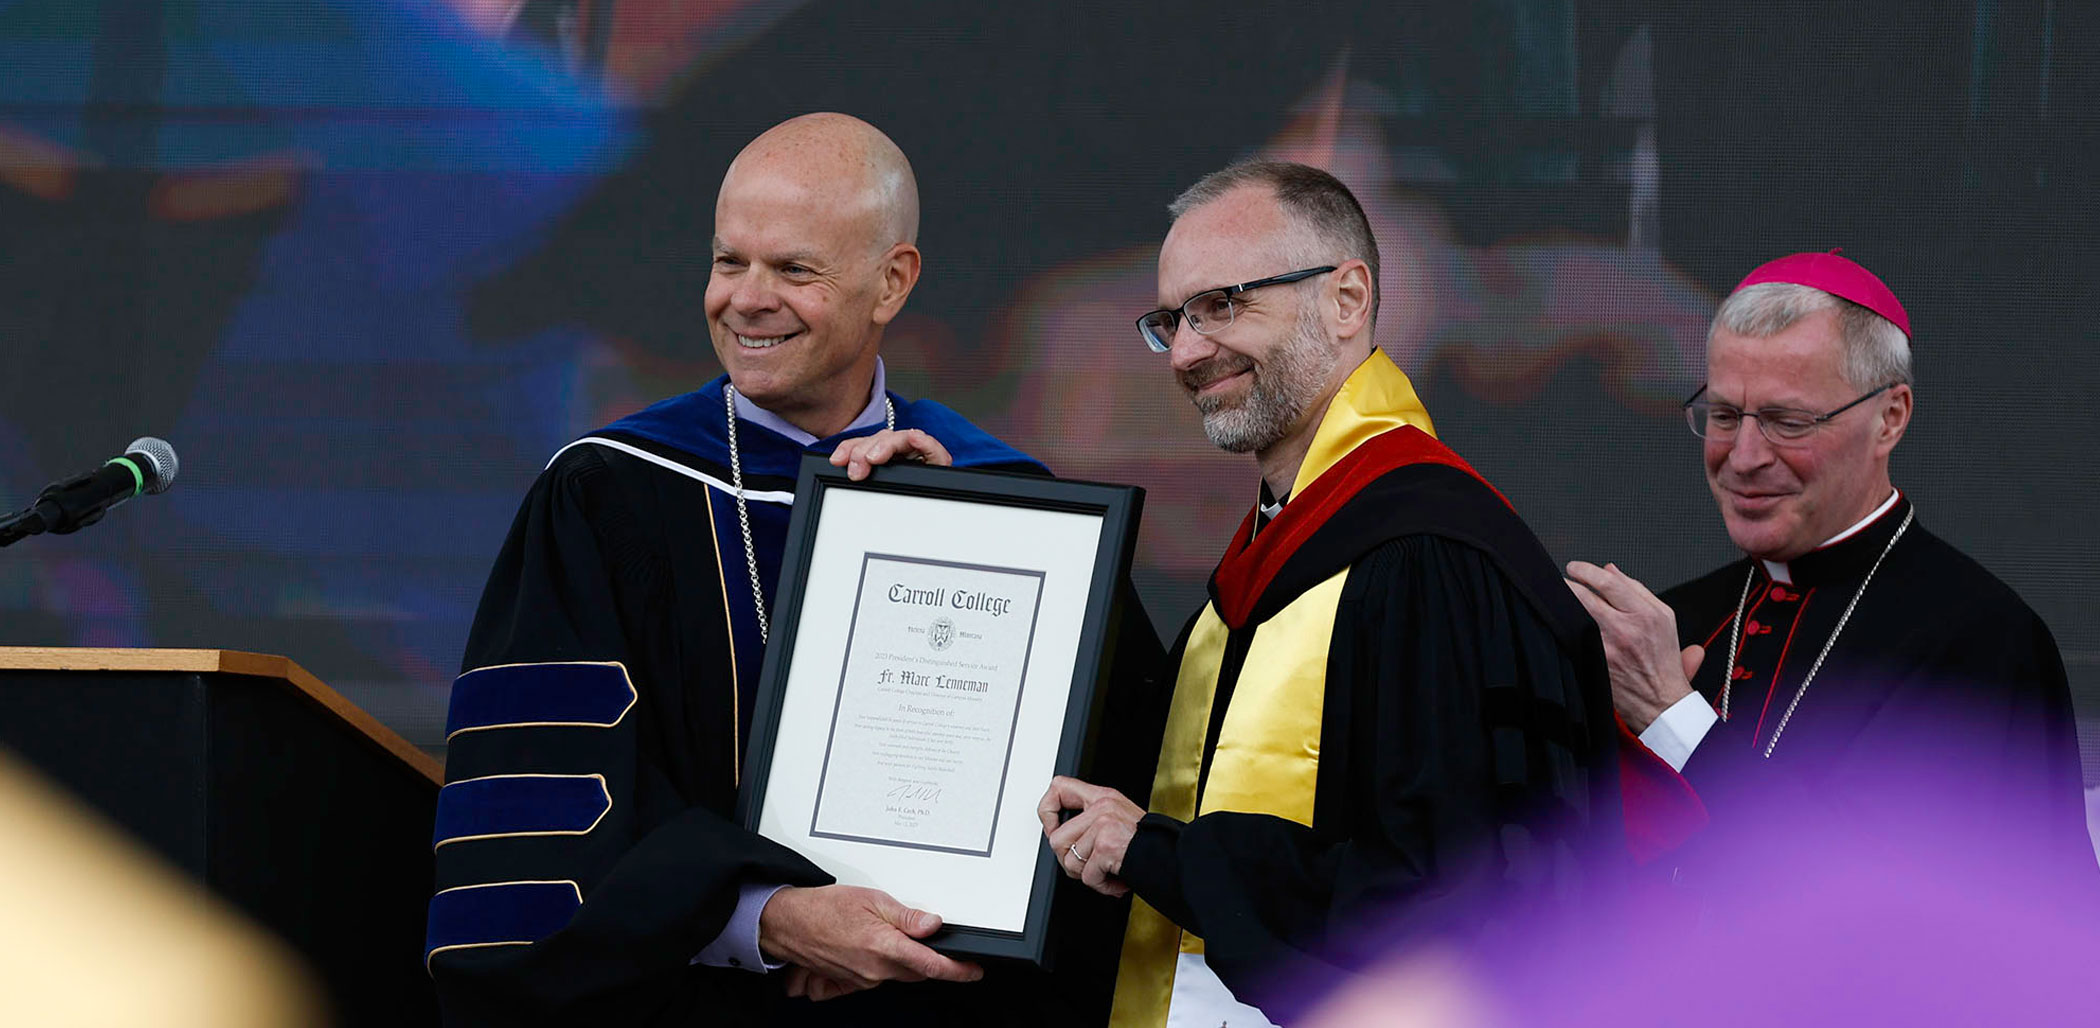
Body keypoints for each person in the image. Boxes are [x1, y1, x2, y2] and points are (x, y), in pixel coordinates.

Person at [425, 113, 1133, 1026]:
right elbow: (542, 816)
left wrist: (963, 535)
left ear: (893, 281)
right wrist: (772, 919)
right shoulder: (608, 497)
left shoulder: (996, 495)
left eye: (795, 269)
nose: (747, 299)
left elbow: (1102, 801)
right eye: (729, 263)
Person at [1038, 160, 1624, 1027]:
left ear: (1347, 300)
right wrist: (958, 517)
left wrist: (1171, 859)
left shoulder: (1431, 557)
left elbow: (1450, 899)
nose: (1191, 351)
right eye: (1172, 319)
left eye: (1225, 304)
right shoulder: (1275, 550)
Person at [1565, 251, 2091, 888]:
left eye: (1789, 422)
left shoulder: (1984, 642)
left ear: (1889, 418)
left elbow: (1895, 899)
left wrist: (1674, 718)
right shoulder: (1685, 621)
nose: (1744, 457)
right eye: (1725, 416)